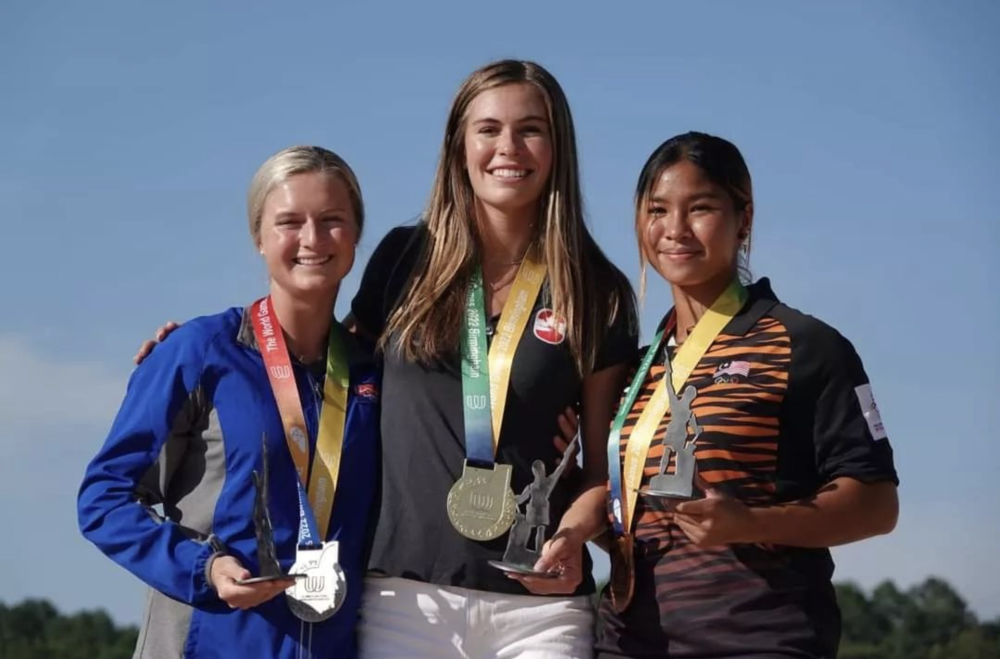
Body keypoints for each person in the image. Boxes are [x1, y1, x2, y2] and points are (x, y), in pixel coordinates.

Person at [347, 59, 637, 659]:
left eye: (531, 129)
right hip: (406, 598)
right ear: (459, 145)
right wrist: (208, 347)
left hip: (540, 609)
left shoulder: (598, 291)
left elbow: (604, 472)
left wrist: (572, 535)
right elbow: (318, 371)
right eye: (488, 129)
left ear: (558, 147)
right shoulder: (405, 259)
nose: (509, 147)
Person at [595, 131, 899, 659]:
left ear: (745, 218)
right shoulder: (636, 368)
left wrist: (752, 523)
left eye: (701, 208)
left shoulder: (805, 345)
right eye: (657, 210)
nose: (675, 230)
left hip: (757, 636)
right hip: (627, 641)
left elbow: (876, 504)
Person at [78, 146, 379, 659]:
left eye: (332, 220)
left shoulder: (374, 374)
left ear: (355, 234)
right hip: (207, 644)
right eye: (289, 222)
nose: (311, 239)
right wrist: (206, 568)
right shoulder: (198, 351)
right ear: (258, 237)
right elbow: (103, 499)